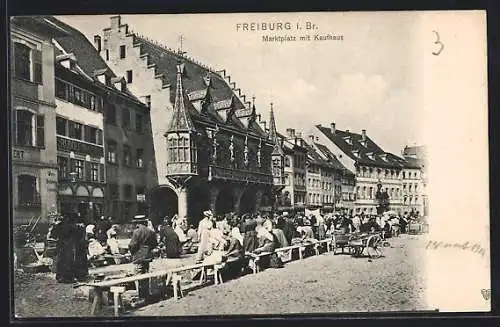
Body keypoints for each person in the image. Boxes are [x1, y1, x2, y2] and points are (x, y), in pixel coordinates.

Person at [128, 216, 158, 299]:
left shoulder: (136, 232)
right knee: (145, 275)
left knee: (138, 275)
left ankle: (141, 295)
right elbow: (155, 244)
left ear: (138, 223)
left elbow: (132, 245)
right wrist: (148, 249)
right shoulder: (150, 231)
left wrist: (132, 252)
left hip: (138, 256)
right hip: (147, 255)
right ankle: (146, 294)